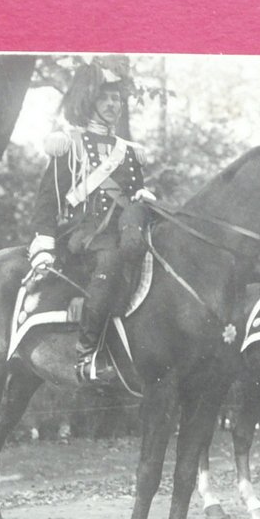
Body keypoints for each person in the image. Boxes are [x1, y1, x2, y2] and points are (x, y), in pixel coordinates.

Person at [27, 57, 156, 383]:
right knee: (110, 258)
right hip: (82, 233)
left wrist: (143, 201)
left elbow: (135, 195)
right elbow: (47, 199)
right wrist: (42, 242)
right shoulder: (69, 143)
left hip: (124, 232)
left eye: (117, 99)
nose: (114, 104)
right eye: (106, 98)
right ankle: (86, 354)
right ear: (90, 101)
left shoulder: (128, 152)